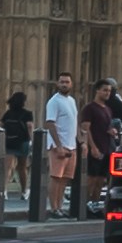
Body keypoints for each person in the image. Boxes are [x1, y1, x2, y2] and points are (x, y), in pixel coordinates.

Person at [43, 74, 83, 219]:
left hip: (71, 145)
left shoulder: (72, 101)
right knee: (55, 177)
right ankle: (53, 208)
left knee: (65, 179)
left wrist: (81, 142)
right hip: (58, 145)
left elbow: (75, 123)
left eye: (67, 82)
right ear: (57, 84)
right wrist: (58, 145)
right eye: (61, 82)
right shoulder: (54, 101)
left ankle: (59, 206)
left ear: (71, 84)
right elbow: (50, 123)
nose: (64, 84)